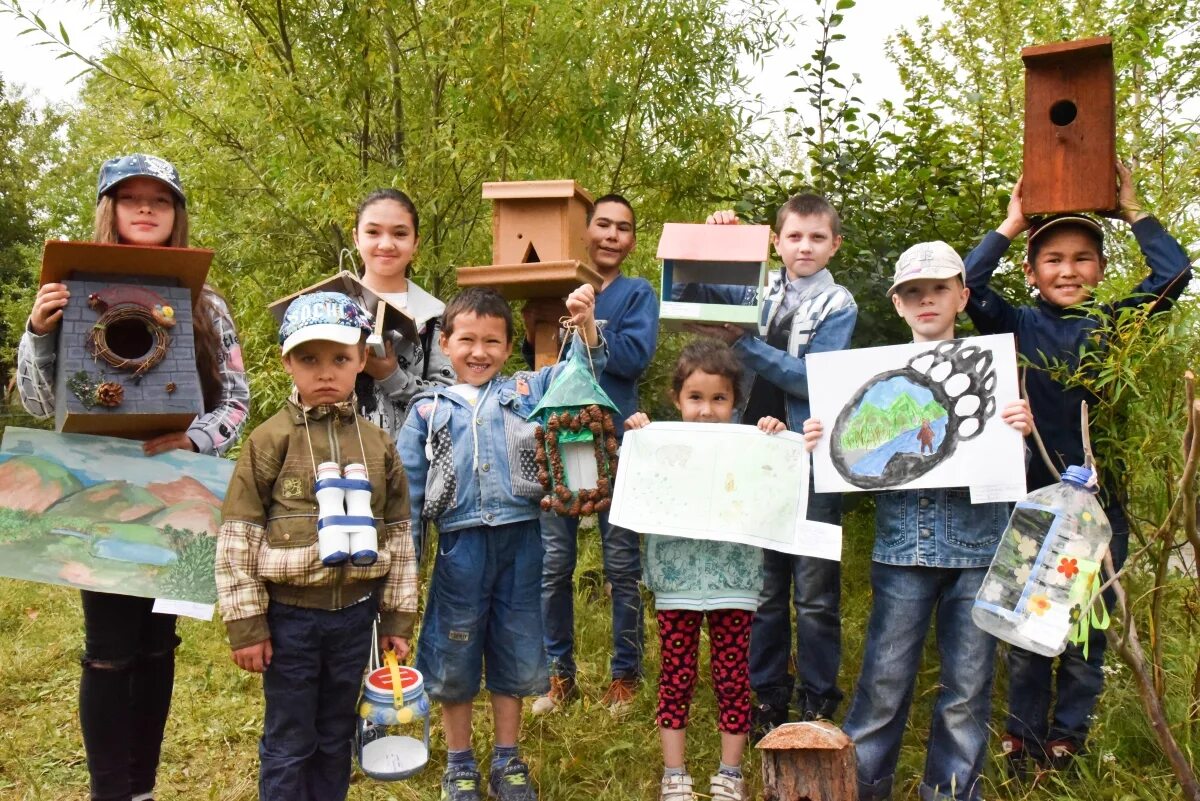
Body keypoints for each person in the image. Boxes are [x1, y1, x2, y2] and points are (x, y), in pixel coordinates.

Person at [15, 153, 250, 801]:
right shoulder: (71, 292)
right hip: (99, 483)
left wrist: (194, 436)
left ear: (177, 216)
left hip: (177, 483)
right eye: (131, 198)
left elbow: (236, 398)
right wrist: (38, 332)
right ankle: (109, 791)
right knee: (110, 646)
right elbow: (36, 402)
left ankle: (141, 787)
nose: (146, 208)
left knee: (157, 642)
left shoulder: (204, 303)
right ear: (109, 210)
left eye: (161, 200)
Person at [963, 163, 1192, 770]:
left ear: (1102, 268)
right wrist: (1011, 224)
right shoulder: (1016, 324)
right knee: (1030, 626)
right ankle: (1022, 736)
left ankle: (1068, 738)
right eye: (1054, 259)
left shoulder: (1117, 324)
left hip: (1101, 504)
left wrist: (1134, 211)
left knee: (1086, 628)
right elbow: (966, 282)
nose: (1068, 270)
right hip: (1033, 500)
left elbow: (1174, 275)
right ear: (1032, 271)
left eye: (1083, 258)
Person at [803, 242, 1032, 801]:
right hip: (901, 552)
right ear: (898, 304)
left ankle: (950, 794)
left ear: (962, 296)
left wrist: (1020, 434)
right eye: (913, 292)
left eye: (938, 289)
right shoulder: (867, 380)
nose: (926, 300)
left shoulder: (1000, 375)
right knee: (881, 686)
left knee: (968, 691)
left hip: (979, 554)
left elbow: (1013, 472)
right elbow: (853, 466)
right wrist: (821, 442)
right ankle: (859, 790)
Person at [399, 284, 605, 801]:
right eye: (466, 339)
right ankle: (460, 763)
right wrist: (406, 569)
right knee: (455, 650)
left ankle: (508, 760)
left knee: (515, 647)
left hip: (522, 542)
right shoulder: (427, 410)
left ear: (508, 346)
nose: (479, 351)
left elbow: (576, 376)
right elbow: (408, 493)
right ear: (445, 343)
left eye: (492, 341)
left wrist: (583, 327)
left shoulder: (527, 393)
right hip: (458, 548)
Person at [216, 291, 418, 800]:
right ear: (287, 362)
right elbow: (238, 538)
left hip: (355, 617)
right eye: (309, 359)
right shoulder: (268, 440)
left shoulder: (379, 444)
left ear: (361, 360)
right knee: (289, 735)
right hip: (290, 621)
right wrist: (246, 626)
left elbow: (398, 536)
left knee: (335, 731)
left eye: (340, 359)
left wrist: (396, 620)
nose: (325, 372)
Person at [683, 194, 857, 734]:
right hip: (752, 454)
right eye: (794, 237)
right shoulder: (755, 287)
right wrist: (716, 242)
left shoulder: (839, 304)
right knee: (762, 587)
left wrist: (747, 346)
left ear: (834, 245)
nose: (805, 247)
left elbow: (813, 379)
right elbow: (693, 289)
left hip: (810, 458)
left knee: (814, 592)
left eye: (817, 238)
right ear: (775, 242)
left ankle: (818, 698)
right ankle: (768, 694)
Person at [627, 339, 782, 801]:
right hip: (676, 582)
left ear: (735, 401)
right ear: (677, 399)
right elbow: (635, 483)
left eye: (720, 399)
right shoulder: (658, 442)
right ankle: (675, 774)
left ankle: (729, 773)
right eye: (696, 398)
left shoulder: (751, 444)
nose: (707, 410)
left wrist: (774, 436)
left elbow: (776, 479)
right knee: (676, 676)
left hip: (735, 582)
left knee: (733, 678)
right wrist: (639, 435)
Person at [523, 193, 659, 714]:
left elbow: (633, 359)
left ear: (631, 240)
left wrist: (590, 327)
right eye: (603, 224)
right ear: (586, 231)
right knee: (554, 563)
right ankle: (558, 674)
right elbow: (533, 354)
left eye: (623, 228)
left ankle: (624, 675)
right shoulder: (558, 287)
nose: (611, 235)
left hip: (616, 439)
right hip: (560, 441)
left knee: (622, 562)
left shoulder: (637, 295)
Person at [350, 188, 454, 436]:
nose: (386, 244)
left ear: (416, 241)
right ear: (356, 238)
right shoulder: (329, 308)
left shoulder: (436, 316)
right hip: (338, 462)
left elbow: (450, 401)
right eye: (373, 232)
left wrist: (391, 375)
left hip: (415, 462)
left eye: (399, 233)